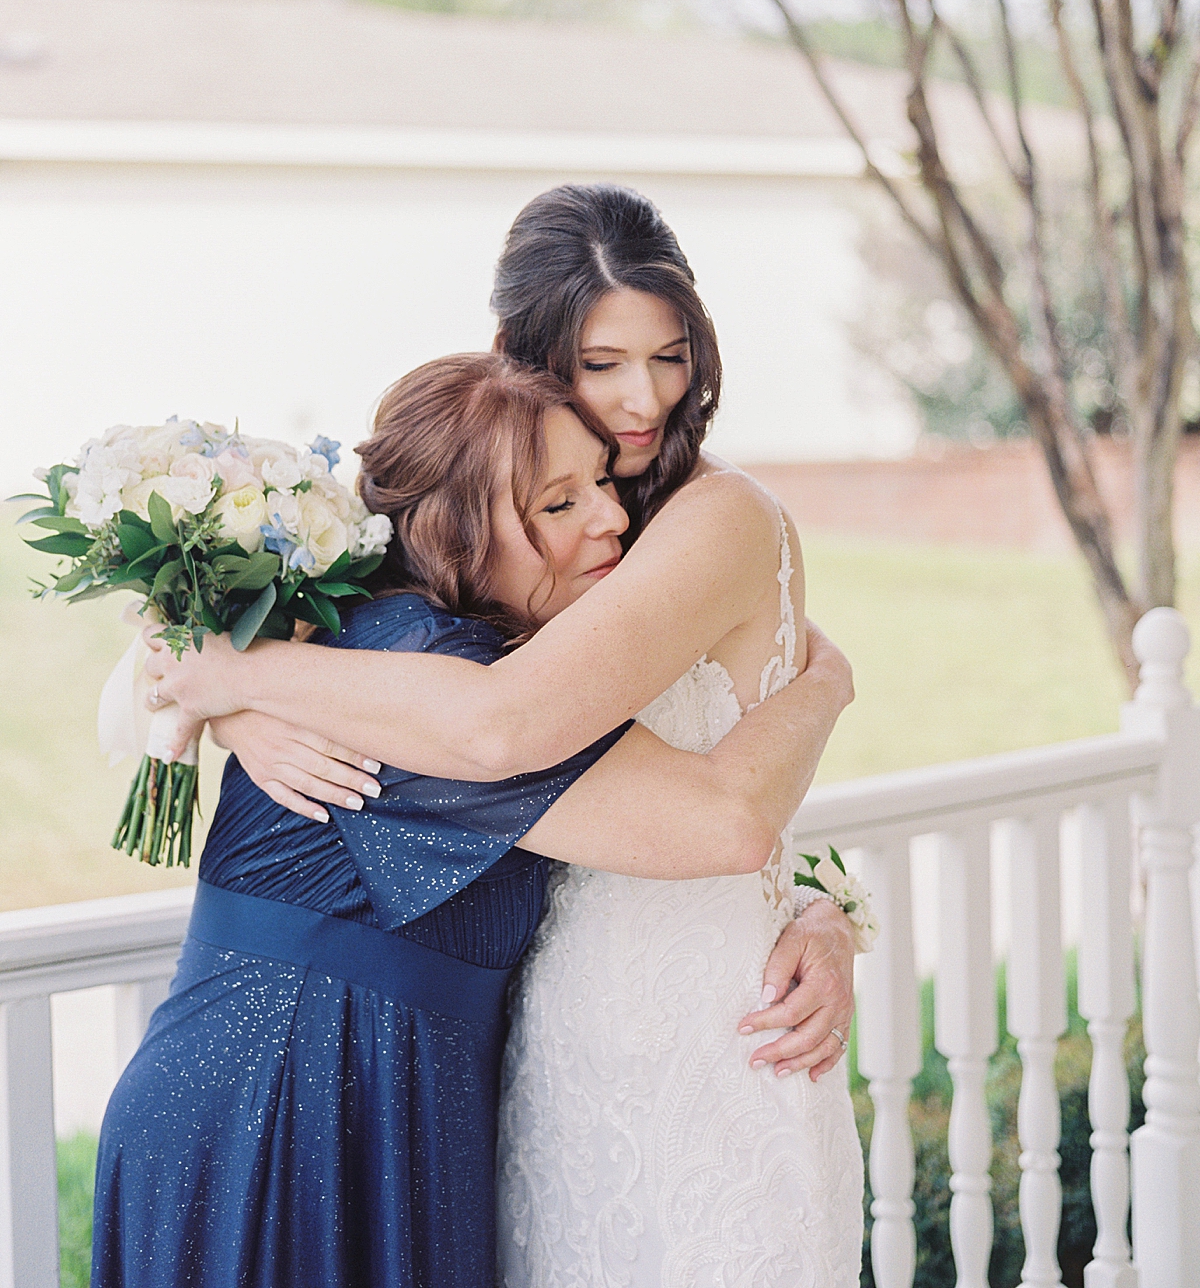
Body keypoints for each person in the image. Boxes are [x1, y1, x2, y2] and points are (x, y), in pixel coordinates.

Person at [145, 184, 867, 1284]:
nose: (643, 399)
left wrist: (821, 902)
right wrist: (230, 688)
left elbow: (664, 773)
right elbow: (490, 720)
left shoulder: (701, 519)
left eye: (669, 354)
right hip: (487, 1057)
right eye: (601, 361)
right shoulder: (455, 577)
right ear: (532, 362)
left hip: (680, 1036)